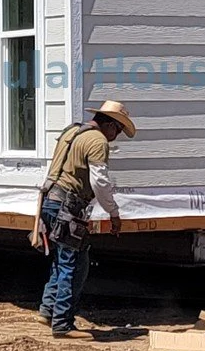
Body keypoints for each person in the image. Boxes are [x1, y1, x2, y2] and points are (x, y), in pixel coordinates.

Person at [33, 100, 136, 336]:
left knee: (61, 259)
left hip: (50, 201)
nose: (116, 136)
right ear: (109, 124)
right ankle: (63, 323)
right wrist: (113, 213)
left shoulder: (72, 131)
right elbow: (99, 181)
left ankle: (48, 310)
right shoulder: (98, 141)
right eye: (118, 130)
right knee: (75, 263)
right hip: (68, 206)